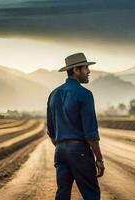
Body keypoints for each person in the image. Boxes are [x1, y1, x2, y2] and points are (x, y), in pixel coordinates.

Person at [46, 52, 105, 200]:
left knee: (62, 195)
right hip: (80, 151)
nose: (89, 71)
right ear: (76, 70)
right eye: (85, 68)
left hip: (60, 151)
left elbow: (50, 131)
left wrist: (63, 146)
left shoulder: (53, 94)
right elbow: (91, 133)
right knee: (91, 194)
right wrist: (99, 159)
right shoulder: (85, 94)